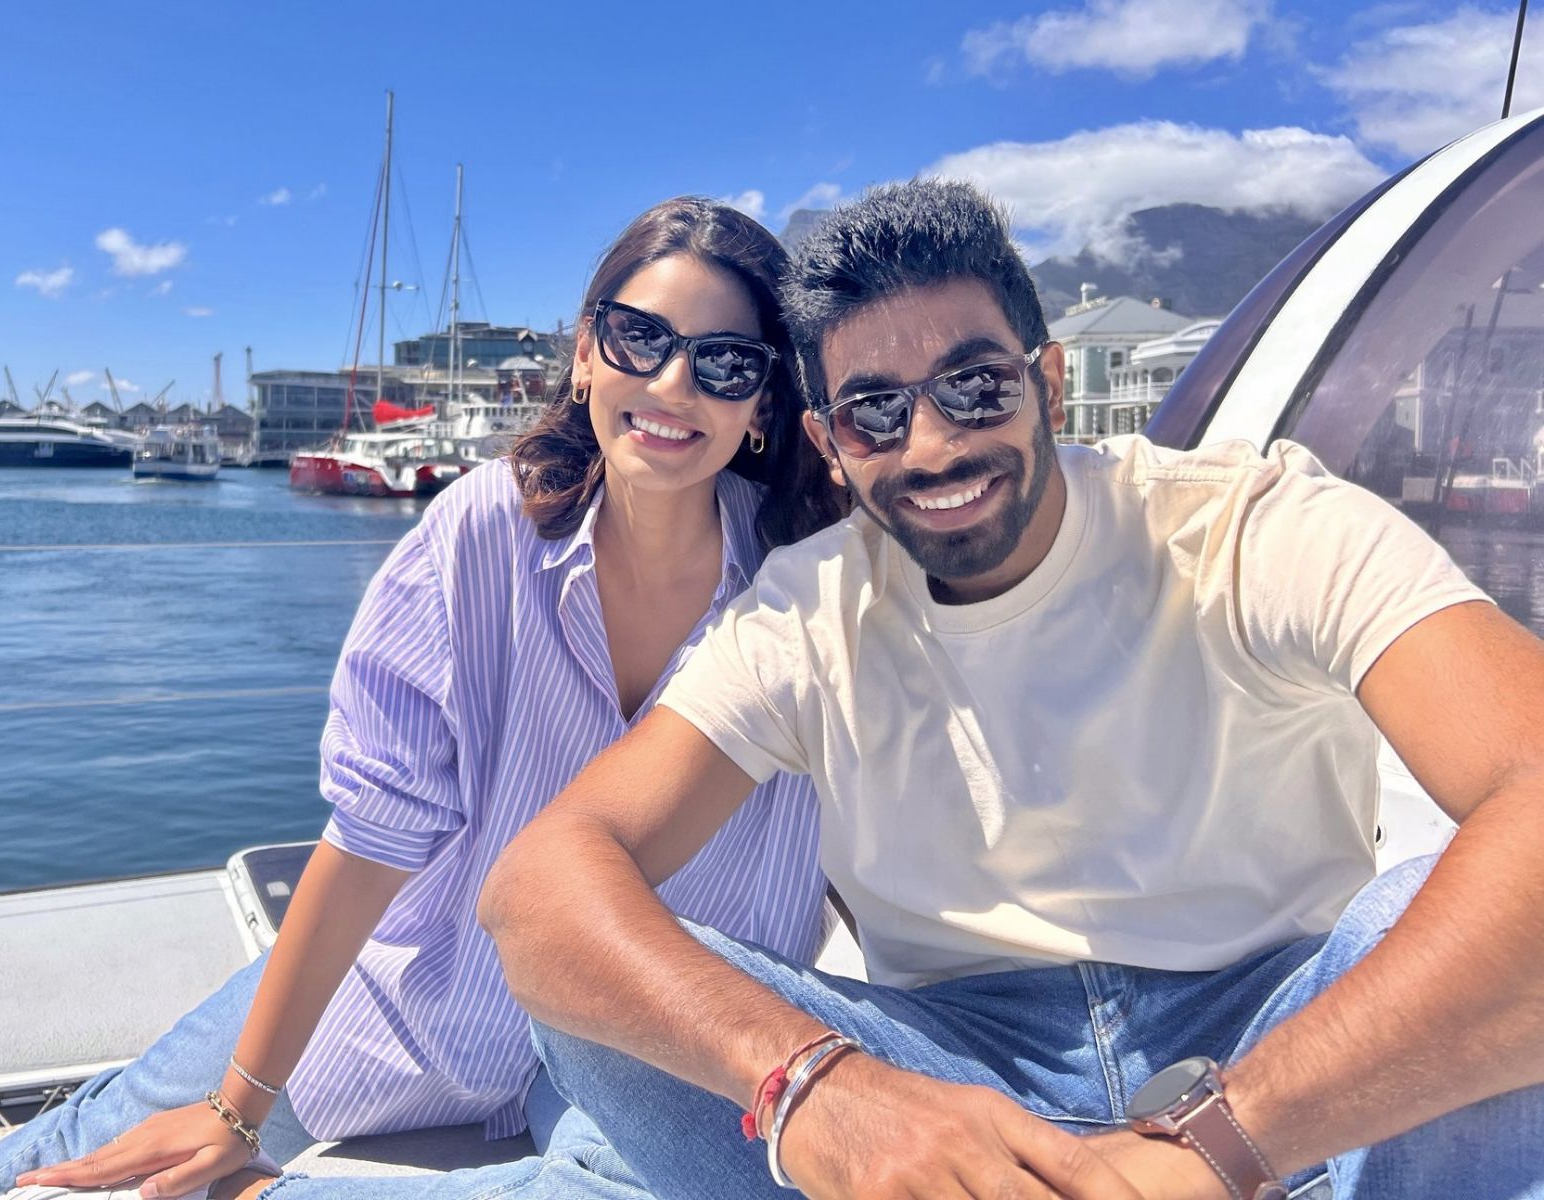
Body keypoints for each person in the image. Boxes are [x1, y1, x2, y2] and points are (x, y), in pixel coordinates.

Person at [480, 179, 1544, 1200]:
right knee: (597, 991)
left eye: (975, 388)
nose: (932, 444)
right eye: (875, 413)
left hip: (1285, 1058)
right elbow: (542, 887)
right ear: (826, 442)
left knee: (1454, 924)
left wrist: (1214, 1146)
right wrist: (818, 1086)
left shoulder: (1250, 529)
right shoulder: (811, 611)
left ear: (1047, 381)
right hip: (953, 1079)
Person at [0, 196, 842, 1200]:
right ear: (585, 353)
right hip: (417, 992)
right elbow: (371, 838)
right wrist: (235, 1110)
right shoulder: (480, 534)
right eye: (638, 338)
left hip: (647, 1039)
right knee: (113, 1133)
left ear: (761, 401)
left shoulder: (808, 584)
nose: (671, 383)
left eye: (724, 362)